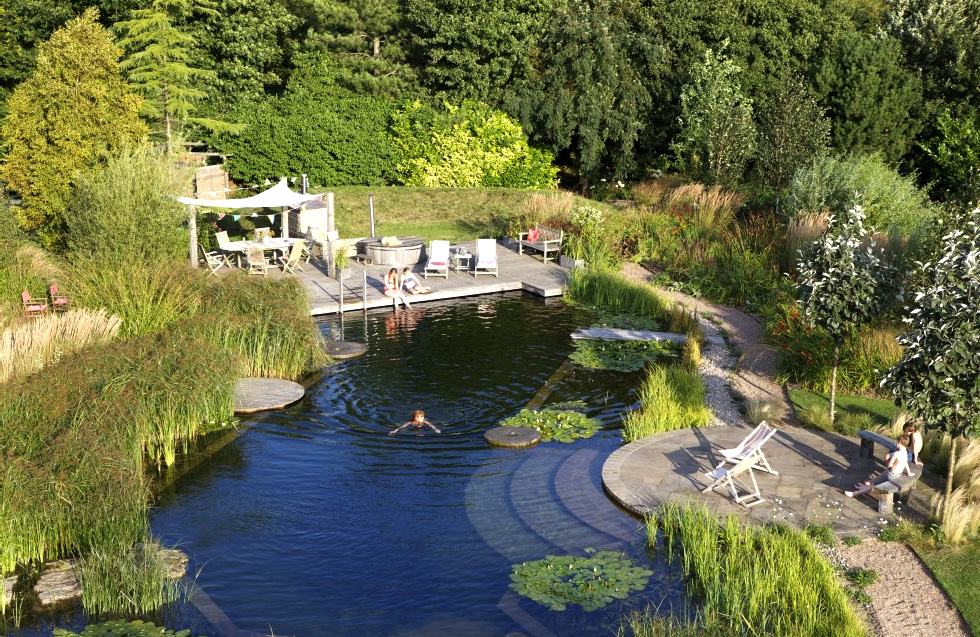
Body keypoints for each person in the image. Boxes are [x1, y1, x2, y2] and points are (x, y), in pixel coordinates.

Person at [845, 434, 913, 498]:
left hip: (891, 475)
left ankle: (855, 493)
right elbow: (905, 462)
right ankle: (863, 487)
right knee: (881, 476)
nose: (896, 443)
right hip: (897, 474)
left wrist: (887, 460)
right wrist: (909, 472)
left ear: (899, 442)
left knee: (874, 485)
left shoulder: (896, 454)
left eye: (897, 442)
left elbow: (889, 465)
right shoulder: (905, 452)